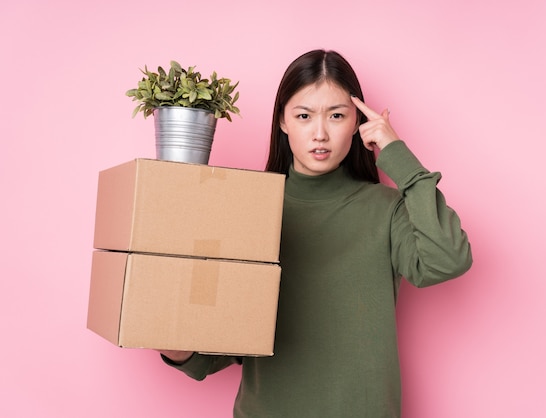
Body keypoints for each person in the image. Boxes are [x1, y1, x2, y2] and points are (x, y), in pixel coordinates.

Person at [159, 49, 472, 417]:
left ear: (358, 122)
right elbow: (232, 337)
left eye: (336, 116)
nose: (320, 134)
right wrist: (180, 350)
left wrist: (396, 153)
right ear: (283, 121)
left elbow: (447, 259)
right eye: (304, 116)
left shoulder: (386, 209)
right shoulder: (248, 206)